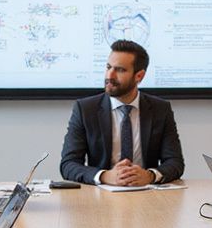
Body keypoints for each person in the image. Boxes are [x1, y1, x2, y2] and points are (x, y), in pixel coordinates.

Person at [59, 40, 184, 186]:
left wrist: (150, 176)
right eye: (108, 67)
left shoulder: (160, 109)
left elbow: (175, 162)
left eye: (119, 70)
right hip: (101, 195)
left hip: (146, 193)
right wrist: (105, 176)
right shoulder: (85, 109)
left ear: (139, 76)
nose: (110, 76)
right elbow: (68, 164)